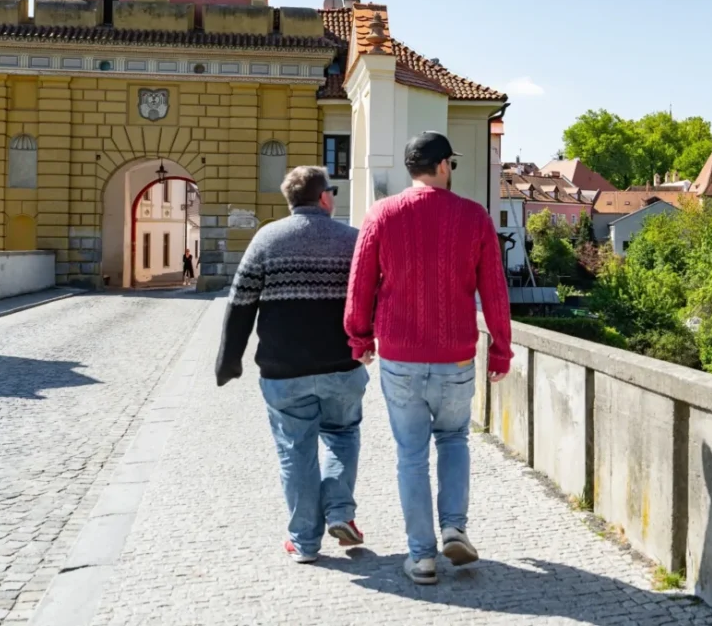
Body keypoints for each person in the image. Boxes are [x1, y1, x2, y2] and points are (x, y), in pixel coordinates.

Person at [345, 132, 513, 585]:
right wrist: (501, 347)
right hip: (456, 356)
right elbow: (493, 290)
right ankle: (454, 526)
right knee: (454, 438)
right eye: (451, 165)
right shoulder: (473, 217)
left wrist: (359, 340)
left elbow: (360, 285)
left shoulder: (381, 215)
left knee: (411, 456)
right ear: (442, 166)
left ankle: (421, 557)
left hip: (399, 356)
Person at [216, 166, 367, 564]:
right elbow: (373, 295)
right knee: (342, 434)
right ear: (323, 198)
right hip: (342, 365)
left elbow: (240, 302)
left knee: (295, 451)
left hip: (284, 372)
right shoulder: (352, 241)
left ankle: (304, 542)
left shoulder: (266, 238)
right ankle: (340, 513)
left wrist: (229, 361)